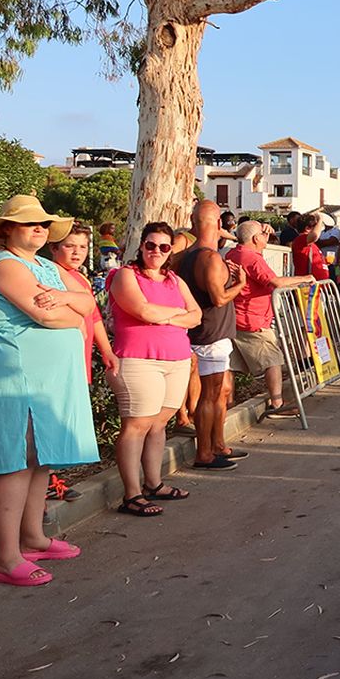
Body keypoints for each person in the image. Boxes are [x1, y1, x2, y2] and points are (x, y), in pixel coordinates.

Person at [0, 196, 98, 585]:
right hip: (17, 371)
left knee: (39, 456)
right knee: (16, 456)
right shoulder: (6, 265)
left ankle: (33, 537)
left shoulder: (43, 265)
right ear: (7, 230)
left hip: (48, 376)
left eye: (43, 223)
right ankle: (7, 558)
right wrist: (67, 309)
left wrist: (65, 300)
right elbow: (45, 314)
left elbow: (87, 303)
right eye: (29, 224)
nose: (39, 229)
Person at [107, 221, 202, 516]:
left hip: (176, 360)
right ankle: (131, 494)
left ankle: (154, 483)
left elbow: (196, 315)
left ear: (171, 250)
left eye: (163, 247)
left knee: (159, 423)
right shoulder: (126, 275)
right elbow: (142, 310)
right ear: (141, 245)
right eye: (151, 245)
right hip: (139, 360)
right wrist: (177, 314)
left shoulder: (174, 279)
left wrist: (165, 317)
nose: (156, 252)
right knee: (136, 425)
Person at [44, 221, 120, 501]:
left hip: (81, 357)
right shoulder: (51, 273)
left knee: (63, 418)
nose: (77, 252)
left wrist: (106, 351)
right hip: (61, 358)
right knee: (51, 419)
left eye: (83, 247)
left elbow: (95, 317)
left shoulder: (81, 278)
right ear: (54, 247)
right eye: (69, 246)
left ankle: (50, 480)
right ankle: (46, 482)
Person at [175, 199, 248, 471]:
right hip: (211, 334)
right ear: (218, 224)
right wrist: (239, 284)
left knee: (220, 392)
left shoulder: (185, 256)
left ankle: (218, 445)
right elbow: (218, 298)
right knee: (211, 393)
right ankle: (204, 452)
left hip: (205, 333)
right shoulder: (211, 258)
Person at [226, 219, 314, 416]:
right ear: (256, 238)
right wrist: (304, 278)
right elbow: (274, 281)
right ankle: (277, 404)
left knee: (231, 366)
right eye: (263, 235)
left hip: (237, 316)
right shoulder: (252, 258)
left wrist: (263, 238)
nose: (267, 237)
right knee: (273, 360)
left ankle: (229, 404)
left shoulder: (235, 253)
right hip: (253, 319)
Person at [289, 212, 328, 280]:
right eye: (316, 226)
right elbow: (315, 235)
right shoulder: (300, 239)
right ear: (307, 228)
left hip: (316, 286)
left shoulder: (311, 244)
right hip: (307, 286)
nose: (319, 228)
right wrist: (320, 220)